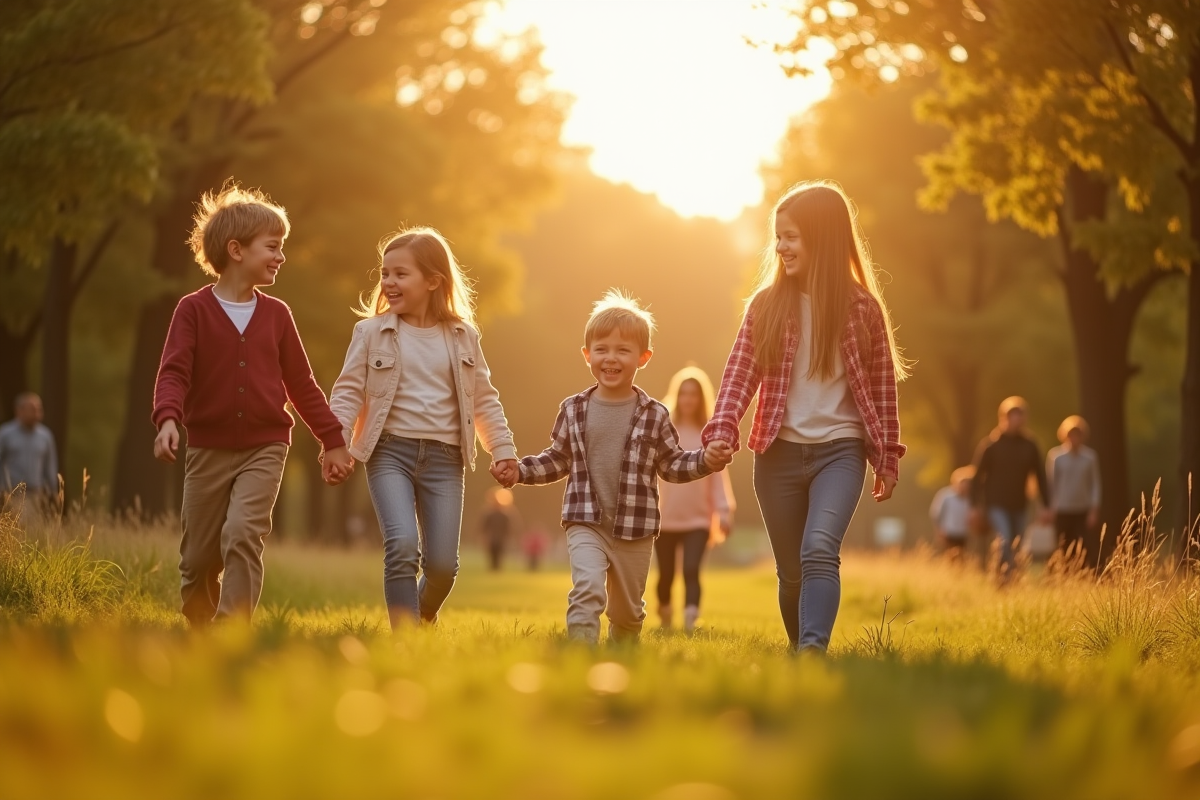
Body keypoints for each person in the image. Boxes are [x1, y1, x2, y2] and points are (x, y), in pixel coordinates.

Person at [702, 181, 908, 654]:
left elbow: (882, 392)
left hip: (841, 451)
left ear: (824, 237)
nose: (781, 246)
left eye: (791, 236)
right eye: (778, 237)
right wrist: (722, 429)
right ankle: (800, 650)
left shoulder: (862, 310)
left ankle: (813, 650)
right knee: (791, 569)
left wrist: (887, 458)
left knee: (818, 548)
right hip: (777, 454)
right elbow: (738, 377)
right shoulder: (766, 306)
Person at [152, 182, 352, 627]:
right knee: (198, 556)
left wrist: (333, 440)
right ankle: (200, 624)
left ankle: (232, 627)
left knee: (244, 533)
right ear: (236, 250)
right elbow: (174, 371)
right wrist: (167, 418)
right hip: (207, 447)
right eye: (273, 247)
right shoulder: (193, 310)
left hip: (266, 445)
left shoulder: (278, 315)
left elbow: (302, 384)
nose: (281, 256)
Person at [508, 290, 728, 644]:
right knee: (587, 589)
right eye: (602, 349)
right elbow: (558, 458)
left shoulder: (655, 414)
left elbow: (671, 464)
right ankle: (581, 652)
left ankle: (622, 651)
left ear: (643, 357)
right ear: (587, 355)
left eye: (623, 350)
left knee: (627, 614)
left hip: (635, 528)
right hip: (585, 521)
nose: (611, 358)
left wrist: (705, 459)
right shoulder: (573, 409)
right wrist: (520, 471)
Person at [328, 227, 517, 631]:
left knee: (443, 566)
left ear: (433, 281)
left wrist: (502, 449)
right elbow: (346, 391)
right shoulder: (370, 332)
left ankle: (420, 617)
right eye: (385, 274)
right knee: (401, 546)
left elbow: (483, 397)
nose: (389, 282)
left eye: (401, 274)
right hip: (388, 452)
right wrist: (336, 442)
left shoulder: (463, 336)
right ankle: (405, 640)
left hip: (445, 459)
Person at [656, 366, 735, 632]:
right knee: (666, 575)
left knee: (691, 569)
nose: (688, 399)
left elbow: (718, 478)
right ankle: (664, 612)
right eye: (684, 393)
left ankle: (691, 620)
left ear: (702, 398)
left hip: (699, 518)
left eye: (694, 394)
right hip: (664, 519)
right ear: (676, 396)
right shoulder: (664, 431)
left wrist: (723, 511)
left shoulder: (708, 434)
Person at [969, 396, 1052, 580]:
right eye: (1012, 416)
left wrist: (1046, 505)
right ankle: (1005, 579)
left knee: (1017, 544)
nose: (1016, 421)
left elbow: (1040, 476)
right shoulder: (991, 445)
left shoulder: (1030, 446)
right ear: (1003, 418)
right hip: (996, 504)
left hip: (1020, 504)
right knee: (1005, 539)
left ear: (1024, 419)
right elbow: (977, 478)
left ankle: (1008, 577)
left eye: (1019, 416)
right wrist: (975, 506)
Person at [1046, 415, 1103, 569]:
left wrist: (1093, 509)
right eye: (1071, 435)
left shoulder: (1090, 458)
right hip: (1062, 509)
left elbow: (1095, 485)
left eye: (1077, 435)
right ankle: (1063, 574)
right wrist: (1049, 507)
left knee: (1082, 545)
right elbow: (1051, 484)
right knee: (1063, 545)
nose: (1074, 438)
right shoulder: (1056, 457)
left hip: (1082, 509)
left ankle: (1082, 574)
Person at [0, 392, 59, 503]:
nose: (37, 412)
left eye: (39, 409)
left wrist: (53, 491)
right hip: (10, 494)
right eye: (32, 409)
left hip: (36, 495)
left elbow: (50, 466)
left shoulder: (46, 436)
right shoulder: (5, 434)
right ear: (19, 411)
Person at [930, 466, 974, 560]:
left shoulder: (970, 499)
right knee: (949, 556)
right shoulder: (945, 496)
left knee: (962, 557)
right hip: (948, 532)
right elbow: (936, 514)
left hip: (963, 532)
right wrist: (939, 530)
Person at [480, 487, 520, 571]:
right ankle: (494, 569)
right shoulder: (490, 514)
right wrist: (485, 537)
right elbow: (484, 527)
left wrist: (509, 537)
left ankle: (496, 570)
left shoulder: (504, 515)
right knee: (492, 554)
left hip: (501, 538)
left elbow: (509, 528)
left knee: (499, 555)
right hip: (493, 538)